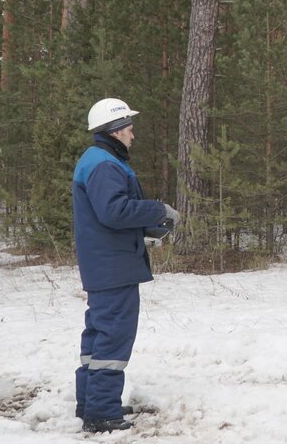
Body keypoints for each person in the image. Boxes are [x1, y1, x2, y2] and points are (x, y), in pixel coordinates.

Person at [73, 98, 179, 434]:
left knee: (99, 334)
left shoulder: (99, 160)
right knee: (113, 337)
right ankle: (101, 413)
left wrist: (145, 231)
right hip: (112, 266)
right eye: (130, 128)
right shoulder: (105, 164)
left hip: (106, 262)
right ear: (115, 130)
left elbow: (109, 215)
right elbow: (114, 211)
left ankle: (92, 403)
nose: (133, 135)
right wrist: (157, 210)